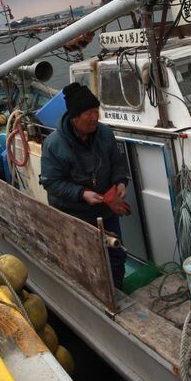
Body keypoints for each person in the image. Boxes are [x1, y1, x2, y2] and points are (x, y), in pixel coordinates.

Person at [40, 82, 132, 288]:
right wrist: (81, 193)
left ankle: (118, 290)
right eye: (88, 113)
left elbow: (117, 163)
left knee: (116, 255)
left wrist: (120, 181)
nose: (94, 117)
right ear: (74, 117)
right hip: (74, 215)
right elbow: (50, 182)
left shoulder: (105, 134)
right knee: (85, 261)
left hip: (105, 211)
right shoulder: (54, 144)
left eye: (96, 111)